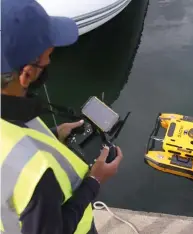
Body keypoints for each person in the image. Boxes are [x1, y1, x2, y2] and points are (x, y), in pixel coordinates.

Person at [0, 0, 123, 233]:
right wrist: (94, 181)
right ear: (26, 74)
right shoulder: (35, 175)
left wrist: (55, 134)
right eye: (48, 56)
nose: (48, 62)